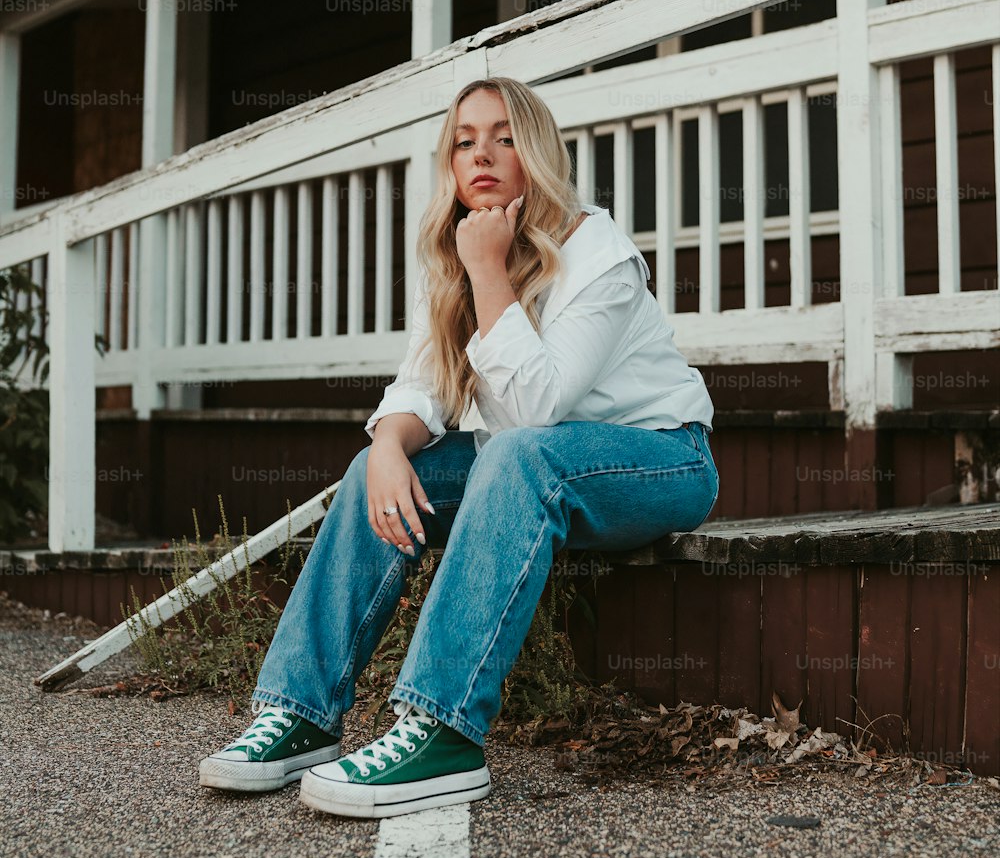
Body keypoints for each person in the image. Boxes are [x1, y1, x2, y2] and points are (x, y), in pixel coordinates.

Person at [199, 75, 718, 819]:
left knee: (515, 455)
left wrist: (488, 273)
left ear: (535, 151)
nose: (483, 154)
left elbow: (535, 410)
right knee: (379, 466)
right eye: (465, 141)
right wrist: (386, 446)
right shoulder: (458, 253)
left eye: (504, 136)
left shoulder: (597, 254)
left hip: (660, 459)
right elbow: (423, 389)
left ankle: (442, 730)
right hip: (535, 463)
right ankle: (302, 714)